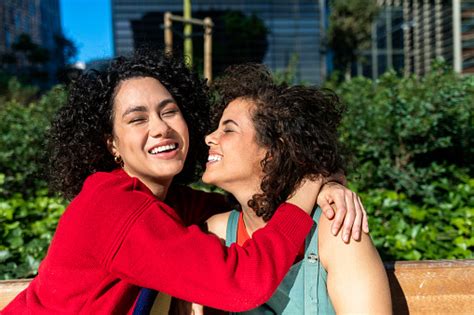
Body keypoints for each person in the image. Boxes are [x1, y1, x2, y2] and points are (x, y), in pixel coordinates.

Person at [1, 51, 368, 314]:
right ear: (111, 144)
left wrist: (326, 184)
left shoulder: (168, 203)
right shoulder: (113, 206)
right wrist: (310, 184)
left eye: (169, 111)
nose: (160, 127)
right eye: (137, 119)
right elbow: (240, 285)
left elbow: (253, 205)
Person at [190, 63, 392, 314]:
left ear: (273, 152)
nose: (210, 137)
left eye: (228, 129)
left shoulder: (337, 229)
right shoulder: (216, 233)